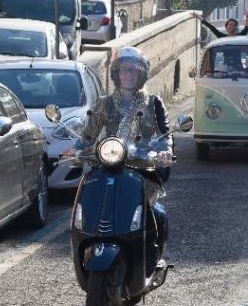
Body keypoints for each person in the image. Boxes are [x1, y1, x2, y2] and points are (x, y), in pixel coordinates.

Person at [64, 47, 173, 204]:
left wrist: (165, 151)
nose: (128, 75)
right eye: (124, 70)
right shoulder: (104, 103)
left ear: (141, 74)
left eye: (133, 71)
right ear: (117, 74)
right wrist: (77, 148)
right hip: (109, 161)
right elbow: (89, 135)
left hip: (142, 164)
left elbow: (165, 134)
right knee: (90, 196)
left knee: (150, 208)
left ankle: (151, 226)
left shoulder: (154, 103)